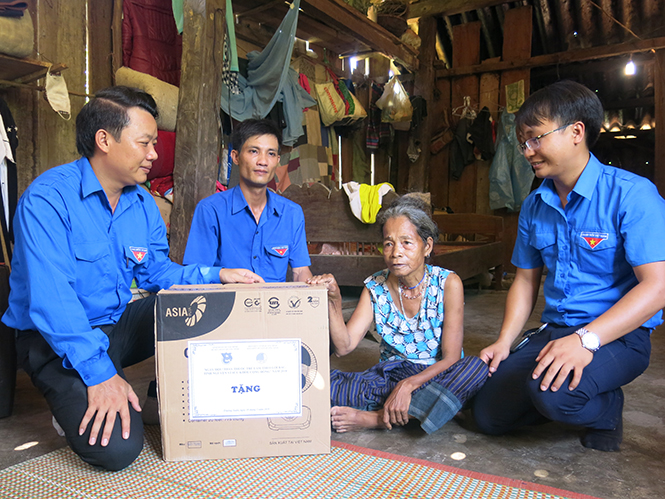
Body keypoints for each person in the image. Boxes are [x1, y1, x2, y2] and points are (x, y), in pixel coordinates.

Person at [2, 86, 262, 471]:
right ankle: (72, 394)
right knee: (118, 450)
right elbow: (53, 303)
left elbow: (157, 272)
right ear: (104, 140)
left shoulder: (140, 202)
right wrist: (100, 374)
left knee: (205, 304)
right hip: (54, 339)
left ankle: (169, 395)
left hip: (116, 326)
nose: (154, 154)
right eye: (146, 143)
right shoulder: (47, 201)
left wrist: (217, 275)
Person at [472, 80, 665, 451]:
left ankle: (606, 409)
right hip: (557, 329)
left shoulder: (632, 194)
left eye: (535, 138)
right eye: (523, 142)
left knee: (554, 394)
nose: (528, 151)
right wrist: (503, 342)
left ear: (576, 131)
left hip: (619, 335)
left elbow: (656, 288)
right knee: (488, 416)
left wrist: (585, 340)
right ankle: (559, 393)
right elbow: (525, 282)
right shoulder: (534, 205)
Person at [309, 197, 488, 433]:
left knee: (475, 368)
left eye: (406, 243)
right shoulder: (375, 286)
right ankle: (430, 410)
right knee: (319, 383)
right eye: (389, 244)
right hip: (389, 378)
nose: (396, 253)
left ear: (427, 246)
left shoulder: (448, 283)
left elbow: (451, 357)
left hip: (433, 376)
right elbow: (344, 347)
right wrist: (334, 300)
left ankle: (375, 418)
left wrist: (408, 386)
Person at [183, 119, 312, 283]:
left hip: (275, 306)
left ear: (277, 160)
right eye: (254, 151)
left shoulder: (291, 213)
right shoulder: (210, 210)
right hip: (227, 305)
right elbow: (196, 273)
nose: (263, 161)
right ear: (235, 157)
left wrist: (313, 285)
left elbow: (301, 271)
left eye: (271, 153)